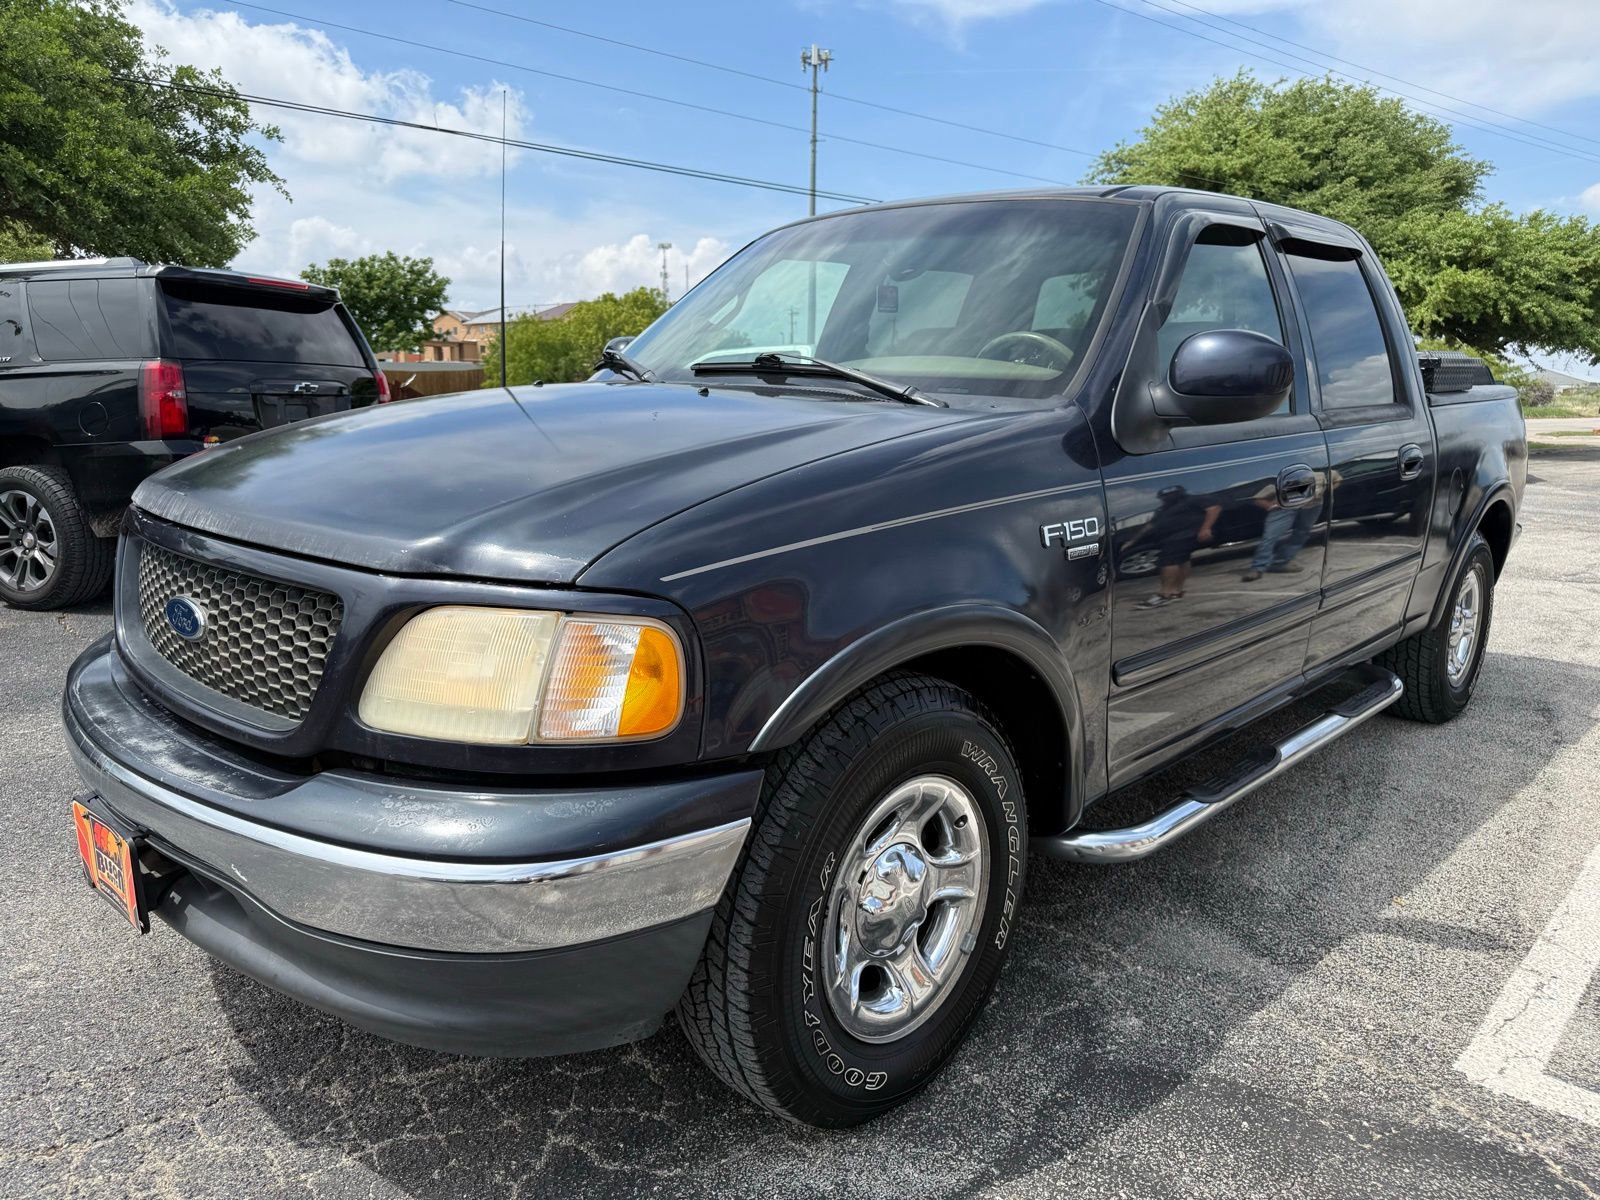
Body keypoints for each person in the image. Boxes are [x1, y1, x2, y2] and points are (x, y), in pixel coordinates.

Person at [1134, 485, 1221, 609]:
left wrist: (1206, 528)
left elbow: (1214, 508)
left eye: (1172, 494)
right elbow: (1150, 525)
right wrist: (1133, 540)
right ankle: (1176, 591)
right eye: (1165, 496)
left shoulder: (1192, 500)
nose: (1168, 497)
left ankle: (1165, 594)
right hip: (1171, 537)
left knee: (1168, 561)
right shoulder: (1163, 509)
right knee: (1182, 560)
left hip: (1185, 535)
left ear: (1180, 493)